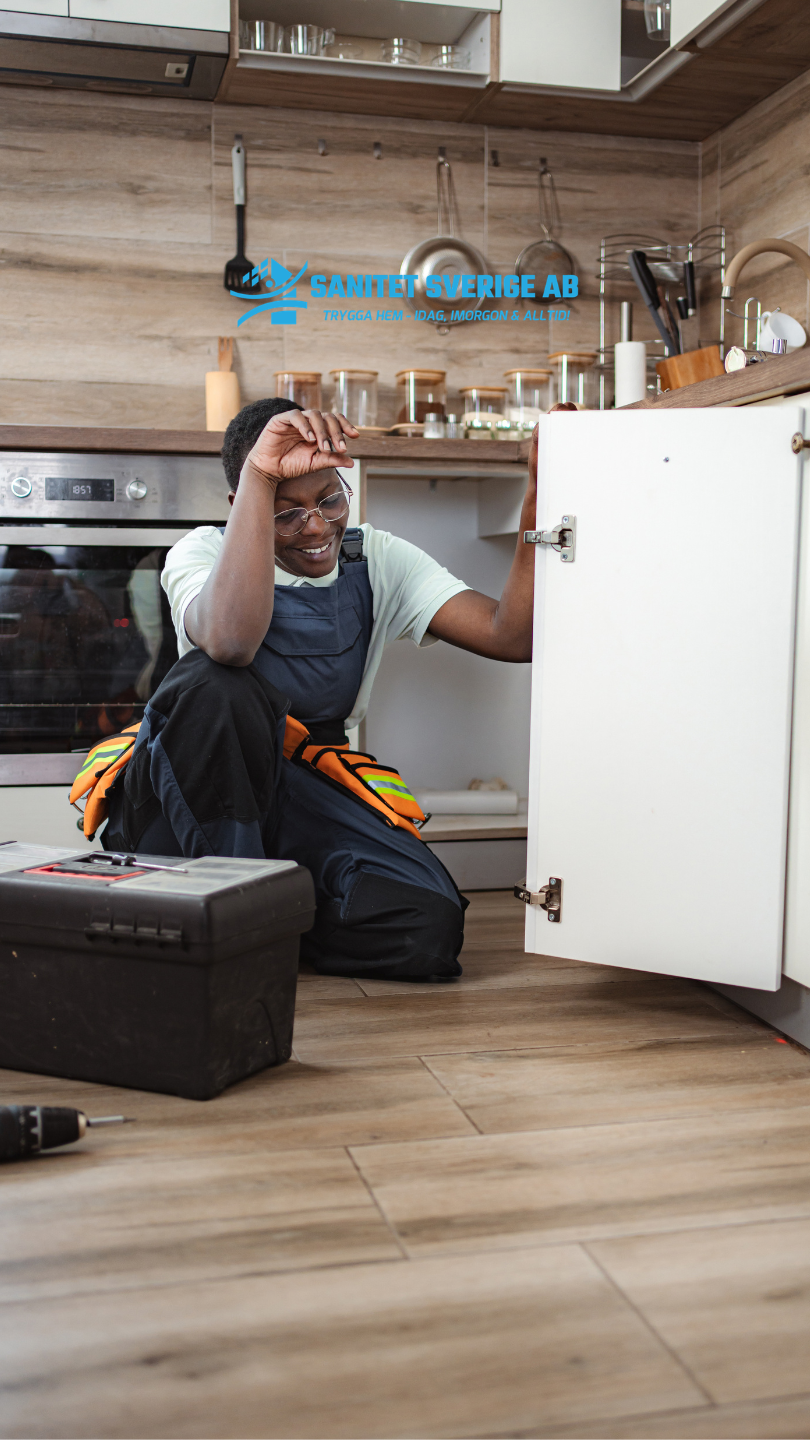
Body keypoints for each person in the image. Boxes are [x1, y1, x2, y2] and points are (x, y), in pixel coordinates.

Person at [104, 397, 538, 983]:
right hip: (199, 786)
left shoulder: (377, 557)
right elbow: (231, 643)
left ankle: (261, 921)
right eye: (286, 511)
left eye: (329, 498)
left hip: (309, 779)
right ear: (244, 504)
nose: (315, 526)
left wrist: (544, 500)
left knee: (426, 927)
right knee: (215, 681)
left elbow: (510, 635)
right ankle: (235, 915)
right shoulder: (203, 551)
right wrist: (261, 474)